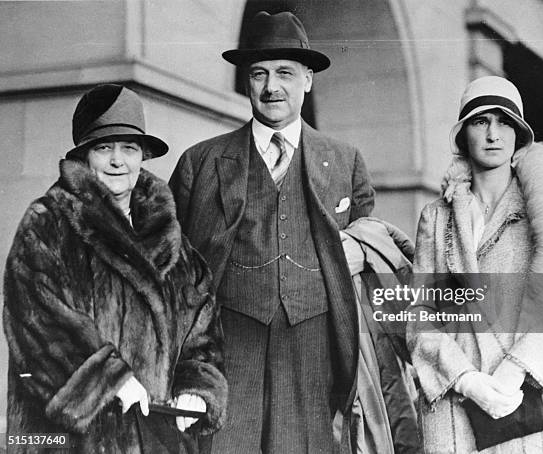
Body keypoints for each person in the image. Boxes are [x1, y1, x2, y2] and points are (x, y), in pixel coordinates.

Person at [169, 11, 375, 453]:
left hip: (312, 352)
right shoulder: (199, 163)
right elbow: (172, 272)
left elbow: (365, 252)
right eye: (258, 74)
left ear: (308, 80)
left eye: (284, 73)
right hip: (228, 350)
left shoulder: (345, 161)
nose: (270, 87)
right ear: (246, 82)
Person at [3, 84, 227, 453]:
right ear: (83, 157)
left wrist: (197, 389)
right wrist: (110, 379)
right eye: (103, 148)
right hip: (74, 439)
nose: (117, 161)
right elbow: (37, 324)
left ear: (143, 156)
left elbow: (202, 326)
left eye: (129, 148)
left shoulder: (170, 237)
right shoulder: (48, 223)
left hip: (156, 433)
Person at [407, 76, 543, 453]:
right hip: (455, 409)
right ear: (463, 135)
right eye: (481, 121)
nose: (494, 133)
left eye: (505, 121)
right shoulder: (436, 217)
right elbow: (419, 314)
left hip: (531, 402)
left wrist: (516, 370)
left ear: (519, 136)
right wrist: (464, 379)